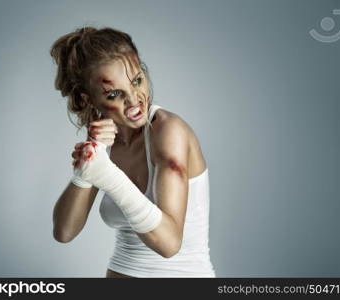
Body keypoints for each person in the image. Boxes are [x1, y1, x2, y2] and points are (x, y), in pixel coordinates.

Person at [50, 26, 216, 278]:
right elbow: (64, 231)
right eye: (115, 94)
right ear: (88, 100)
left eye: (137, 80)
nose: (135, 100)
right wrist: (86, 171)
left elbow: (169, 244)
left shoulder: (169, 131)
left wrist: (106, 174)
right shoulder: (105, 140)